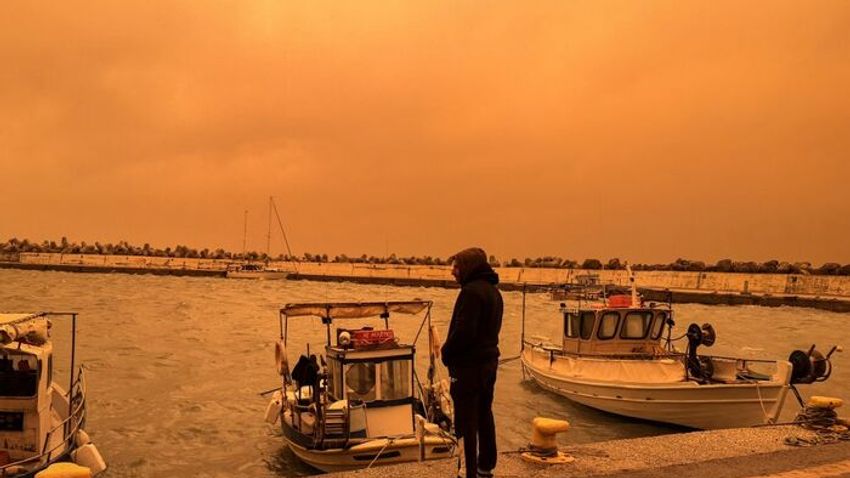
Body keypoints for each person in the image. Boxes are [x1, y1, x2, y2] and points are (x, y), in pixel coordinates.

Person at [441, 247, 503, 478]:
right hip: (488, 364)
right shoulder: (494, 292)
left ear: (468, 267)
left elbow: (464, 333)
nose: (452, 272)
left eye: (456, 267)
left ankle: (466, 471)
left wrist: (446, 352)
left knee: (465, 421)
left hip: (468, 368)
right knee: (485, 414)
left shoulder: (470, 293)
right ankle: (485, 465)